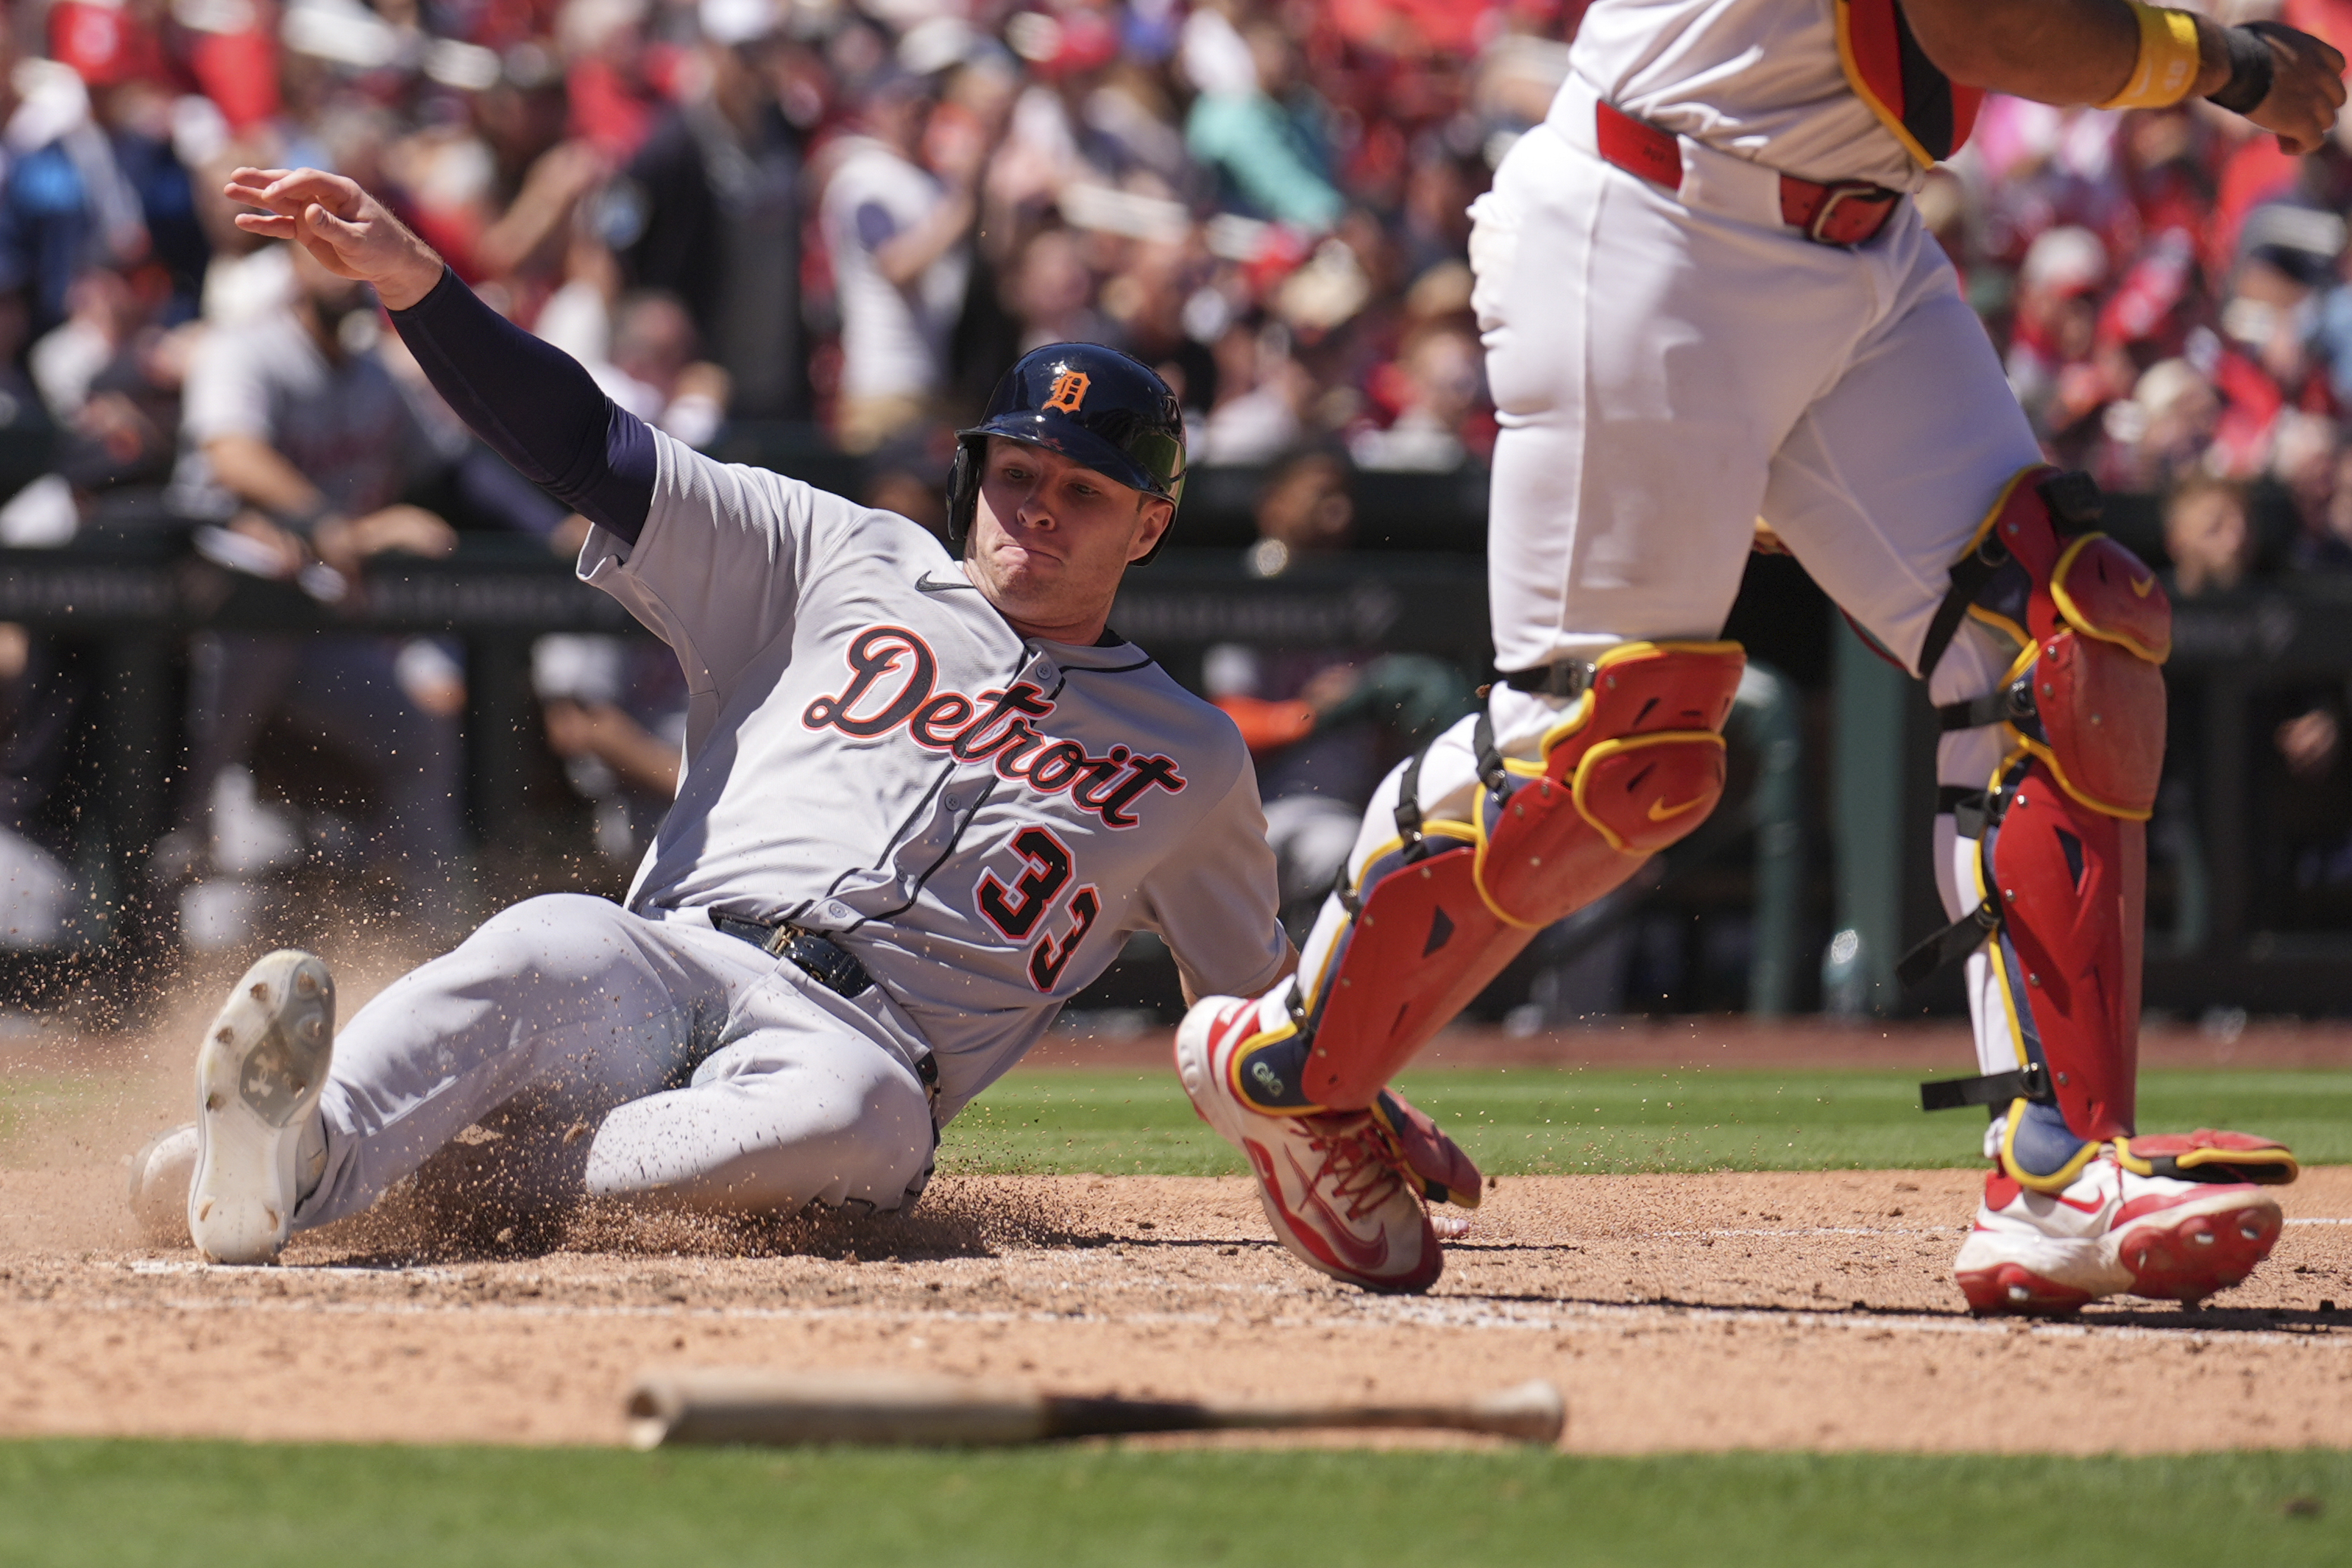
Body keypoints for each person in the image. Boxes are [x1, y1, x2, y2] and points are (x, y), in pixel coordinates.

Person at [1176, 0, 2339, 1304]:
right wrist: (2227, 63)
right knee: (1608, 748)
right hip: (1653, 215)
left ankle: (2061, 1172)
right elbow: (1991, 29)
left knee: (2069, 632)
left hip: (1865, 236)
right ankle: (1285, 1066)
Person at [130, 163, 1479, 1267]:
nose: (1037, 513)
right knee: (546, 939)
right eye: (1017, 475)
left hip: (861, 1053)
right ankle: (299, 1159)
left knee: (847, 1119)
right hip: (670, 962)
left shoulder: (1191, 760)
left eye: (1082, 493)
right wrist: (421, 290)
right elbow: (589, 445)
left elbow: (1249, 1012)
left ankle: (461, 1186)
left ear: (1153, 524)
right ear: (974, 477)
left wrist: (1348, 1101)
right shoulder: (840, 556)